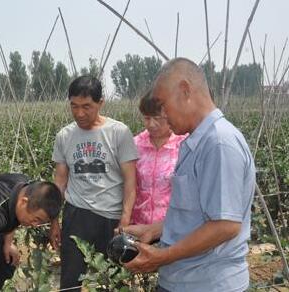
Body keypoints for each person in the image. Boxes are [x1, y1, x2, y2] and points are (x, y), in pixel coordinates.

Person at [124, 58, 256, 292]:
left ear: (185, 90)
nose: (162, 114)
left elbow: (225, 225)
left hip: (208, 284)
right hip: (183, 281)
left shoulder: (219, 143)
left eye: (163, 104)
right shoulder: (195, 142)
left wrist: (163, 256)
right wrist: (154, 230)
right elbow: (197, 214)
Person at [50, 75, 138, 291]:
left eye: (87, 106)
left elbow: (130, 182)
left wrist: (124, 221)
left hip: (111, 217)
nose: (79, 113)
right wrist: (54, 220)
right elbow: (59, 182)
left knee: (113, 280)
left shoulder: (119, 132)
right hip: (76, 214)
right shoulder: (65, 135)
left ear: (101, 103)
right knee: (70, 281)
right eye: (74, 106)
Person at [130, 91, 186, 225]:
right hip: (139, 225)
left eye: (158, 118)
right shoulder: (135, 145)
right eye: (147, 118)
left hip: (172, 226)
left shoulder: (183, 145)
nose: (151, 124)